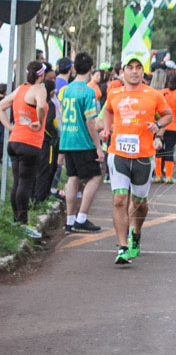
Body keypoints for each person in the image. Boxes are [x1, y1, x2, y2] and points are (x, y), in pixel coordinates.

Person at [101, 57, 172, 264]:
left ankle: (137, 233)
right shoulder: (114, 92)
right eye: (130, 68)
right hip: (118, 153)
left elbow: (168, 115)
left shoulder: (153, 94)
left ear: (143, 72)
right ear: (122, 72)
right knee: (119, 200)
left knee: (139, 203)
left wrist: (158, 125)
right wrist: (107, 128)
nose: (134, 72)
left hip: (143, 155)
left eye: (138, 68)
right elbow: (108, 110)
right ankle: (122, 247)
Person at [58, 53, 105, 234]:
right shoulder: (88, 91)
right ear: (91, 69)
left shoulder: (66, 90)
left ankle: (70, 221)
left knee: (73, 178)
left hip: (68, 139)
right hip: (83, 141)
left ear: (74, 68)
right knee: (95, 177)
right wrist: (98, 146)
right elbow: (90, 121)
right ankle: (81, 218)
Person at [0, 61, 48, 237]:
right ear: (41, 75)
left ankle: (16, 220)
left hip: (14, 141)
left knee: (18, 182)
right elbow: (41, 106)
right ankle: (23, 222)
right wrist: (40, 121)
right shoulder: (39, 89)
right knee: (25, 183)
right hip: (30, 143)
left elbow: (1, 106)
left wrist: (10, 127)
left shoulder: (20, 89)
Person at [155, 74, 176, 183]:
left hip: (161, 124)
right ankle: (168, 176)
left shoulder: (161, 92)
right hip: (174, 126)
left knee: (159, 149)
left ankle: (158, 175)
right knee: (169, 149)